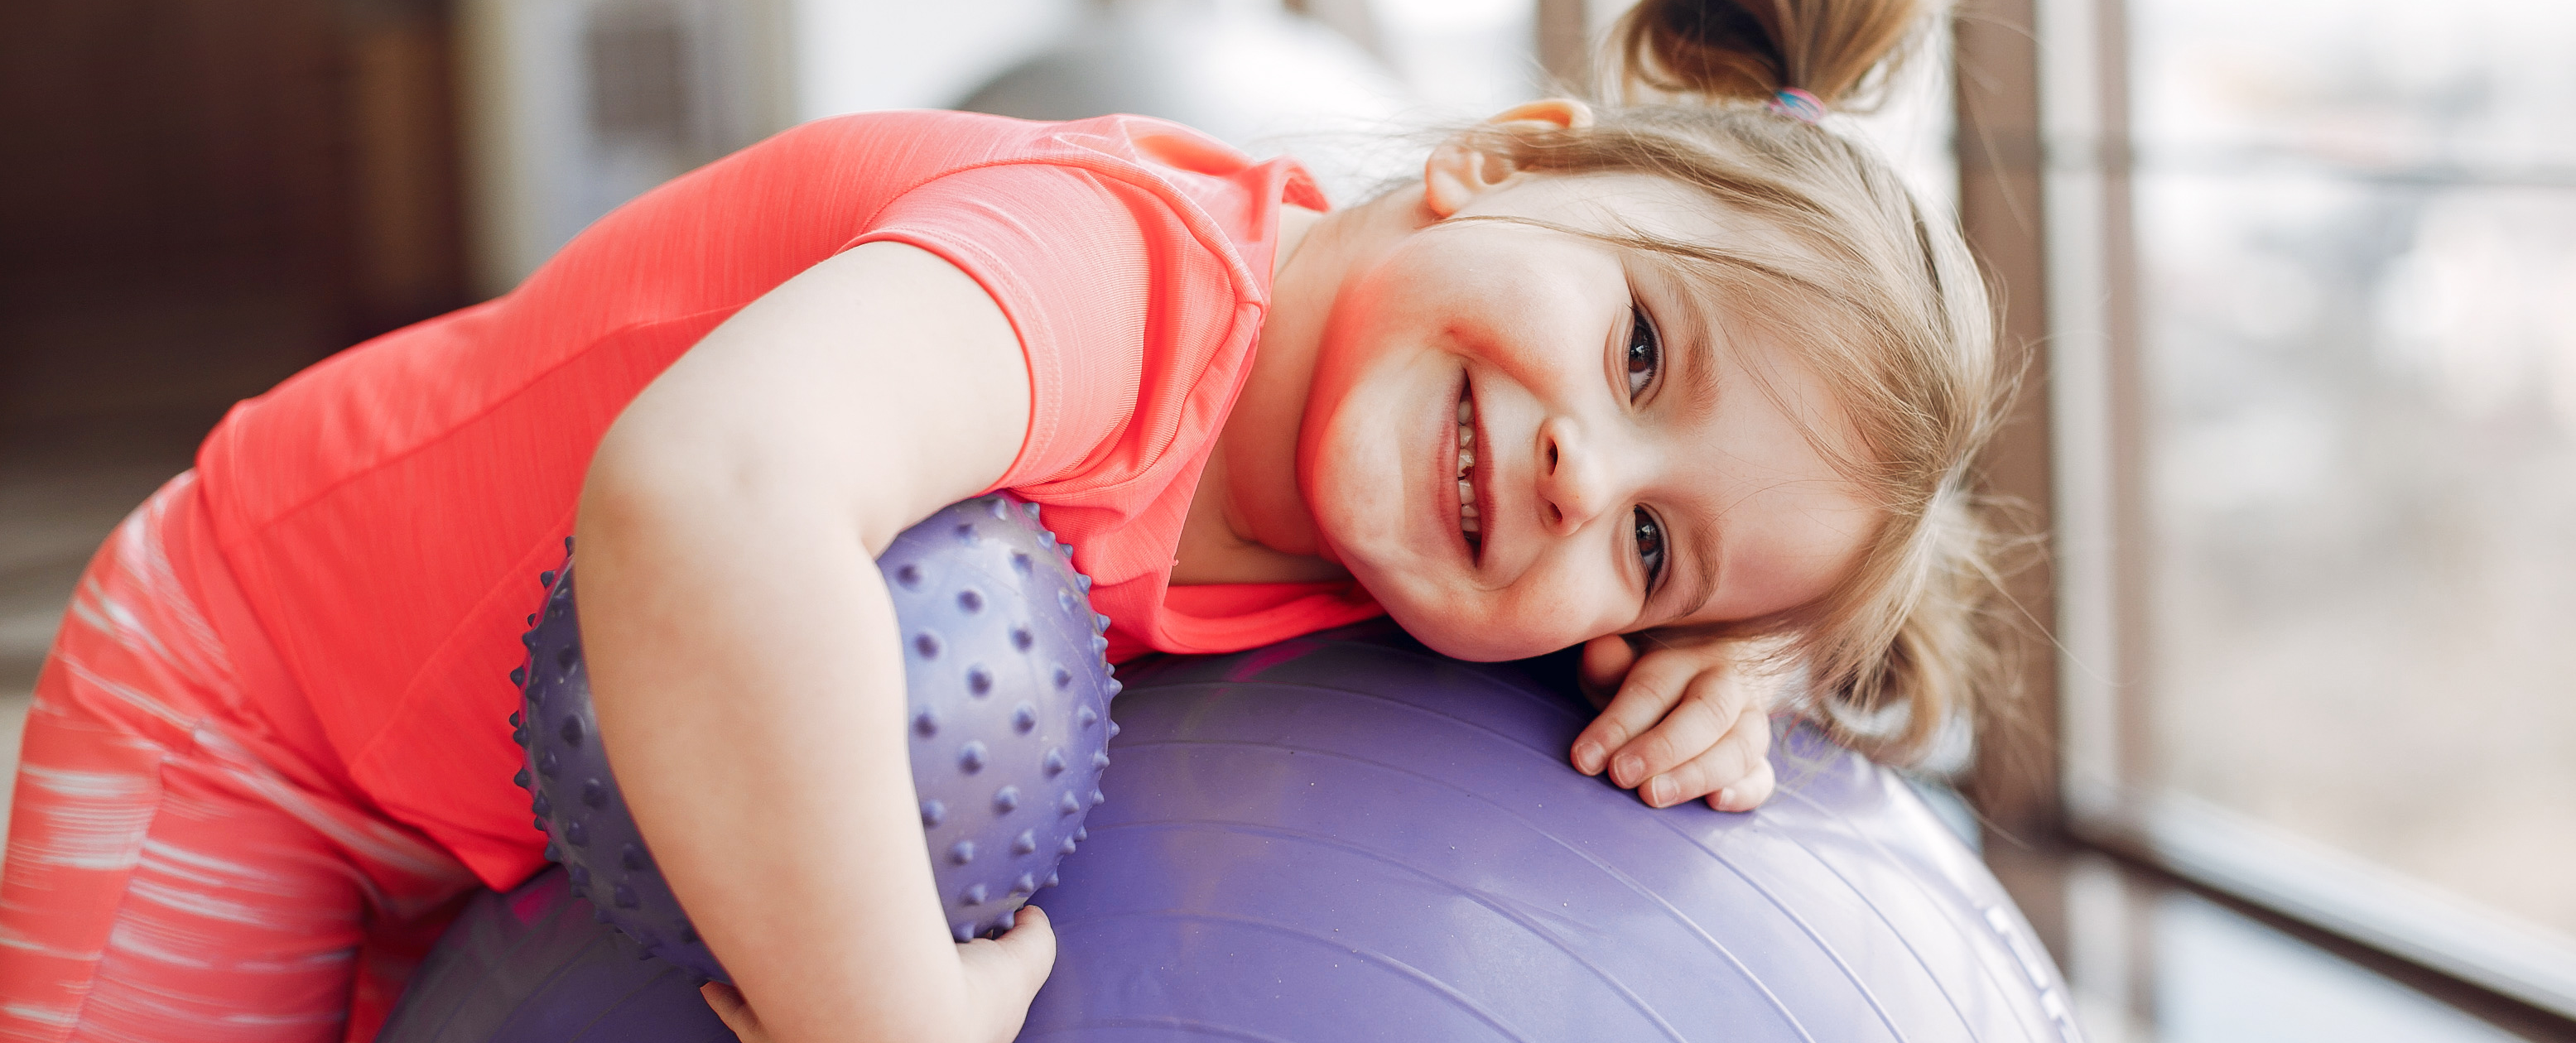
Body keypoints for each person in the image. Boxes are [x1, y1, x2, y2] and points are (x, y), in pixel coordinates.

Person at [0, 0, 2011, 1041]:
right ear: (1499, 159)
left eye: (1655, 549)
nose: (1590, 473)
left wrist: (1734, 663)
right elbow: (709, 499)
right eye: (1643, 350)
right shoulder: (1105, 277)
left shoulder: (1410, 520)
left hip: (512, 852)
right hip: (261, 719)